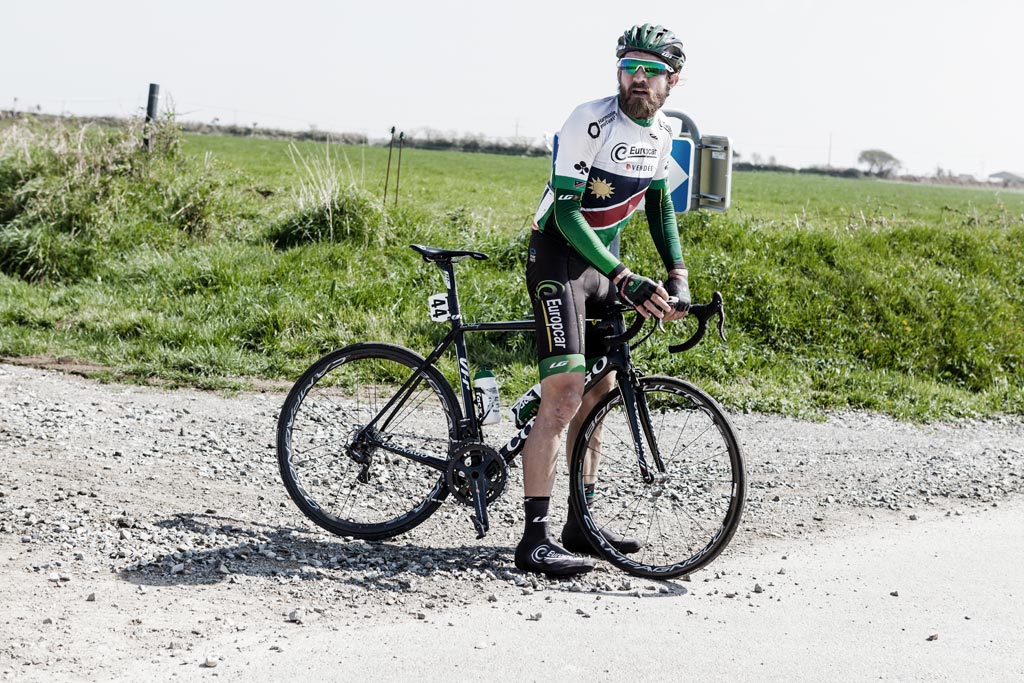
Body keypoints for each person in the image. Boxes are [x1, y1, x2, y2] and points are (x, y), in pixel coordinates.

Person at [515, 23, 692, 576]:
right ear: (618, 71)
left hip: (601, 266)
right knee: (564, 398)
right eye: (629, 66)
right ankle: (534, 541)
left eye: (652, 70)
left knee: (600, 392)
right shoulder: (589, 120)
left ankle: (581, 525)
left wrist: (677, 275)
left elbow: (660, 206)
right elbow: (568, 212)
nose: (639, 78)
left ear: (672, 80)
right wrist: (624, 276)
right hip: (558, 259)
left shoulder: (664, 133)